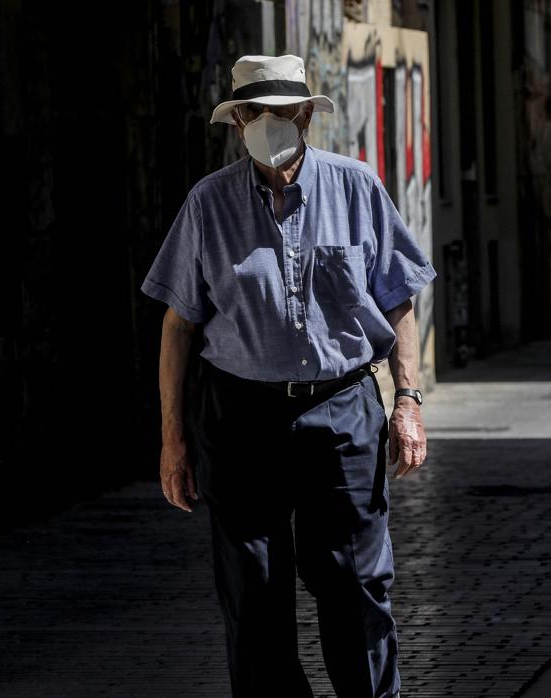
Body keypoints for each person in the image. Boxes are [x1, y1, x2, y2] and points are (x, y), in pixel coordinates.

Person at [141, 54, 436, 697]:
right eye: (251, 113)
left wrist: (407, 399)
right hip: (240, 413)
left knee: (355, 583)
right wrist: (172, 438)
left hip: (342, 405)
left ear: (305, 115)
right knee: (254, 591)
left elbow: (399, 297)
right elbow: (178, 326)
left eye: (278, 112)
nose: (264, 124)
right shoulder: (207, 204)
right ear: (235, 123)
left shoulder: (356, 186)